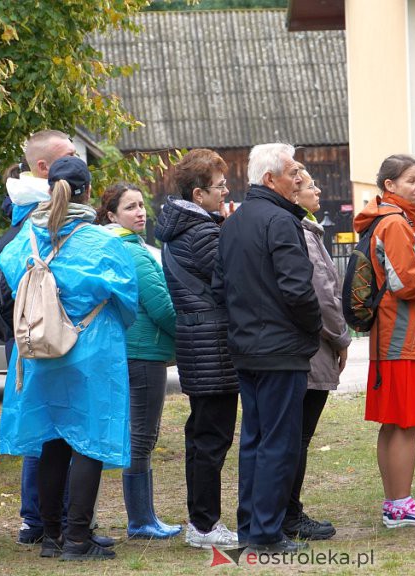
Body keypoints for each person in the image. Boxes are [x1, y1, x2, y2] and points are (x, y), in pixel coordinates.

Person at [0, 156, 138, 560]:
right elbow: (128, 300)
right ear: (89, 193)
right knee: (89, 441)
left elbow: (11, 276)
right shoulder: (103, 242)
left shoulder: (25, 238)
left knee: (51, 442)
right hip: (91, 351)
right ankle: (79, 538)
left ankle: (53, 537)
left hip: (40, 350)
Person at [0, 130, 101, 547]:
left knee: (46, 433)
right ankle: (52, 523)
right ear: (45, 169)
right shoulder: (43, 223)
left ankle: (50, 527)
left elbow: (3, 289)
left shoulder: (21, 225)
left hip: (32, 338)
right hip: (62, 339)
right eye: (69, 156)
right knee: (62, 433)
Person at [215, 142, 321, 553]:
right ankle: (265, 534)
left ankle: (251, 529)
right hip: (279, 350)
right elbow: (298, 290)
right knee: (277, 442)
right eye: (292, 172)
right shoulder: (279, 221)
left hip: (248, 347)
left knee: (255, 441)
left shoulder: (235, 222)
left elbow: (219, 288)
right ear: (269, 179)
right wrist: (312, 330)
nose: (299, 178)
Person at [354, 154, 415, 528]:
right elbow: (405, 282)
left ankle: (395, 502)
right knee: (404, 424)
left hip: (392, 336)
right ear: (389, 186)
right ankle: (401, 503)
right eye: (412, 180)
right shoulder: (394, 224)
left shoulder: (389, 220)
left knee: (394, 423)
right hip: (403, 338)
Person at [153, 149, 240, 550]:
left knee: (202, 435)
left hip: (197, 341)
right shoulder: (202, 232)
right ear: (198, 193)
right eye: (220, 186)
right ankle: (204, 525)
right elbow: (229, 279)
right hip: (212, 344)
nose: (225, 192)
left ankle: (201, 521)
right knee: (211, 438)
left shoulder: (187, 226)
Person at [95, 183, 181, 539]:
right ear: (112, 215)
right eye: (130, 207)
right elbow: (160, 306)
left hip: (125, 350)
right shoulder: (134, 252)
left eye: (142, 205)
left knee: (135, 435)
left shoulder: (107, 246)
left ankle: (142, 518)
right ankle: (141, 520)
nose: (140, 212)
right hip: (144, 352)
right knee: (143, 436)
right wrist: (189, 333)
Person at [282, 164, 350, 541]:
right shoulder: (304, 236)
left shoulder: (308, 230)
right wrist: (340, 338)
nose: (319, 191)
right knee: (298, 437)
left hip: (305, 348)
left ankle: (288, 510)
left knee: (294, 436)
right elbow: (322, 296)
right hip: (312, 348)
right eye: (310, 186)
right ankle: (290, 513)